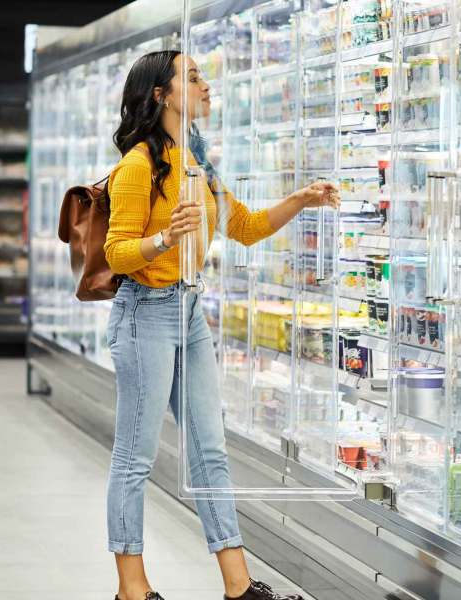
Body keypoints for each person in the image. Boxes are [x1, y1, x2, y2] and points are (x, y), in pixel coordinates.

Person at [103, 49, 339, 600]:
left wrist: (301, 200)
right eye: (193, 77)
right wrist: (165, 238)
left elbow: (248, 227)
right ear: (160, 95)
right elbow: (117, 254)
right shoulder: (138, 166)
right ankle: (131, 589)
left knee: (210, 450)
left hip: (189, 314)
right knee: (135, 458)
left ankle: (238, 587)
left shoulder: (197, 166)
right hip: (145, 315)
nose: (206, 86)